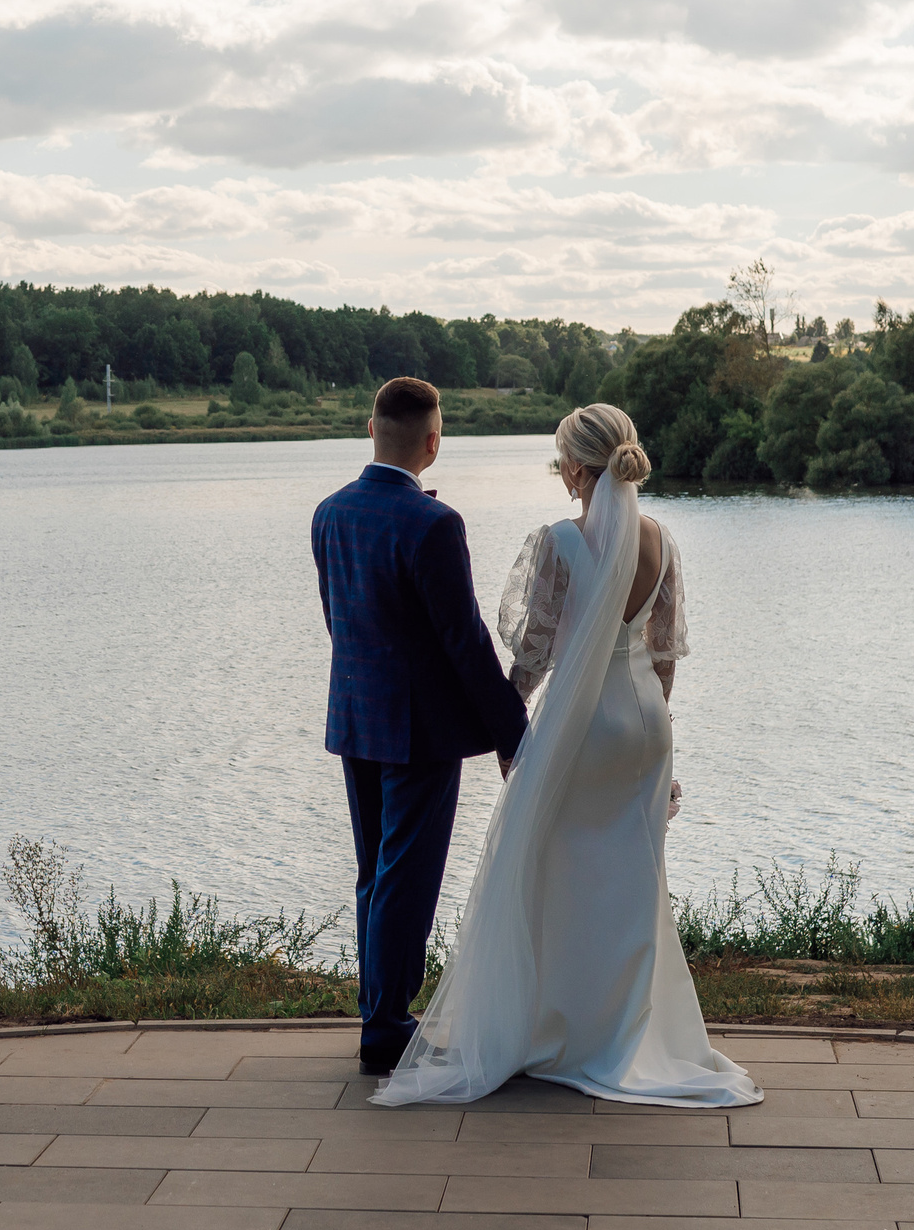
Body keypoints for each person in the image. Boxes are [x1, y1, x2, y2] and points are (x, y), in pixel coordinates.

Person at [373, 403, 760, 1108]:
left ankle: (554, 1025)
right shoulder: (662, 541)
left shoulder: (558, 541)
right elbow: (665, 655)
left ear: (575, 468)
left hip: (578, 725)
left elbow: (533, 652)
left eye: (560, 460)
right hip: (642, 721)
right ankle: (623, 1033)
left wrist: (510, 725)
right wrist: (656, 732)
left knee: (545, 870)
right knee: (632, 881)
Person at [311, 376, 530, 1078]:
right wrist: (513, 732)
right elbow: (463, 642)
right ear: (433, 444)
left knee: (375, 873)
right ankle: (386, 1025)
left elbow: (340, 619)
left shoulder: (328, 512)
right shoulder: (435, 525)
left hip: (356, 717)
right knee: (405, 876)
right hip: (419, 732)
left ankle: (379, 1012)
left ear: (370, 428)